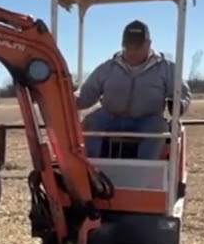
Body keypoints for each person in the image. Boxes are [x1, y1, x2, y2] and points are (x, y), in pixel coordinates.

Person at [74, 20, 191, 160]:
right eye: (128, 46)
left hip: (147, 119)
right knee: (90, 123)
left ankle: (144, 173)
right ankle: (92, 170)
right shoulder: (108, 67)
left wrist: (179, 105)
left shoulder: (166, 69)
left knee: (159, 129)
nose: (132, 51)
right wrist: (72, 99)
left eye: (137, 47)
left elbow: (183, 94)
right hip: (110, 117)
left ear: (148, 44)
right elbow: (87, 93)